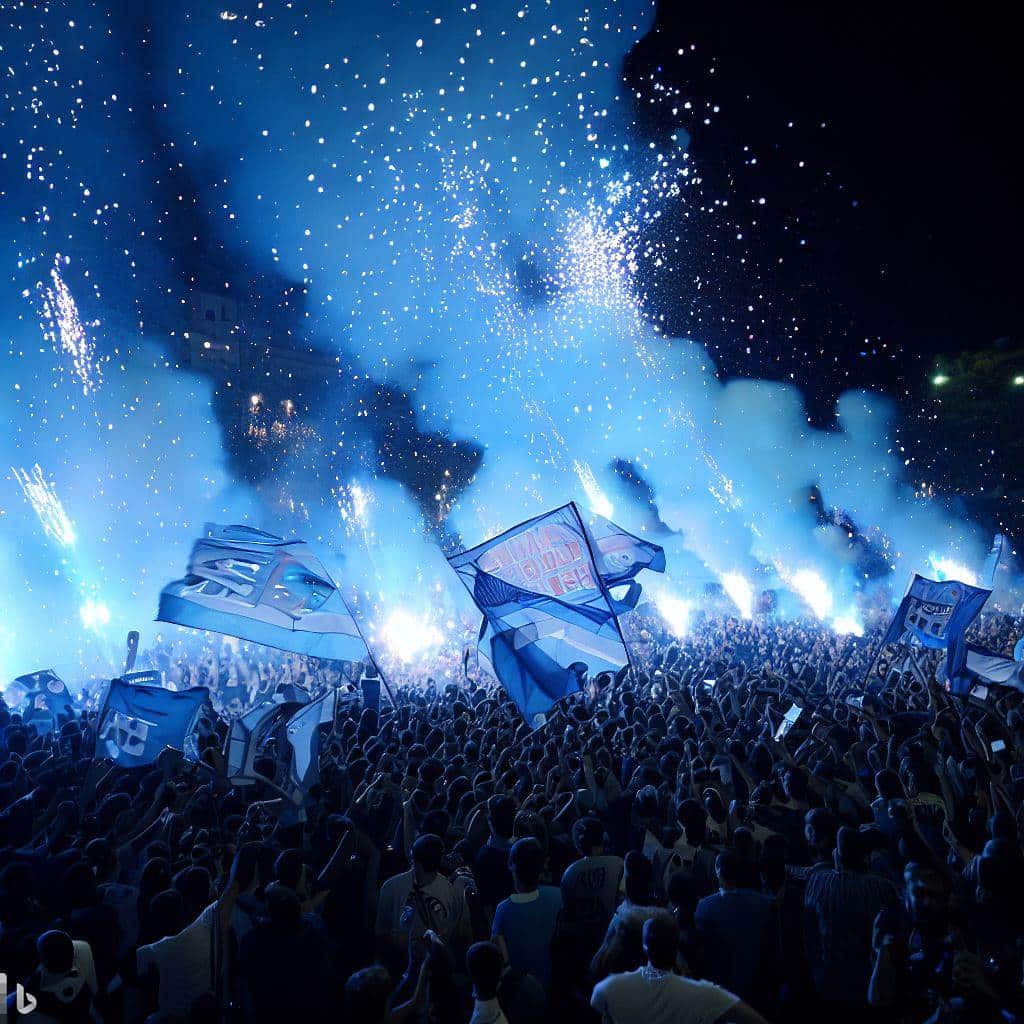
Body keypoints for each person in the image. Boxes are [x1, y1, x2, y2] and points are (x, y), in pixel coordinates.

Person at [590, 916, 770, 1024]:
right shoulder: (704, 994)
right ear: (676, 949)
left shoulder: (611, 986)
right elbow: (756, 1021)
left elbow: (596, 1005)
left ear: (644, 948)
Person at [694, 850, 780, 1004]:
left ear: (718, 873)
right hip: (758, 985)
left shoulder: (704, 906)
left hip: (723, 988)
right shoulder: (764, 903)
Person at [375, 833, 470, 970]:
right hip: (399, 965)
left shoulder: (391, 887)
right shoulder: (451, 892)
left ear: (413, 858)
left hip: (433, 971)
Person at [492, 837, 563, 986]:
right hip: (555, 986)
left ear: (511, 864)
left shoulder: (503, 910)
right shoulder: (558, 896)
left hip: (520, 992)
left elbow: (500, 958)